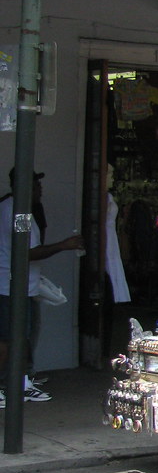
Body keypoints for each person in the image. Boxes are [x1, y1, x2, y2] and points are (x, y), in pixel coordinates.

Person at [0, 169, 84, 407]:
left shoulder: (22, 210)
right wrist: (64, 245)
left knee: (24, 335)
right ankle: (11, 383)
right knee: (10, 338)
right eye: (36, 186)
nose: (40, 190)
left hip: (24, 286)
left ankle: (21, 380)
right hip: (11, 287)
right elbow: (26, 252)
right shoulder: (16, 212)